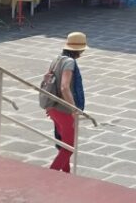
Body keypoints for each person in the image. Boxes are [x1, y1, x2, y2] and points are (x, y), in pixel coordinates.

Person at [46, 31, 87, 173]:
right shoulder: (69, 63)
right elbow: (64, 86)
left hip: (53, 107)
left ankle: (66, 173)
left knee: (64, 144)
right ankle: (52, 173)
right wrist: (74, 108)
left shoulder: (57, 59)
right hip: (63, 110)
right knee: (69, 147)